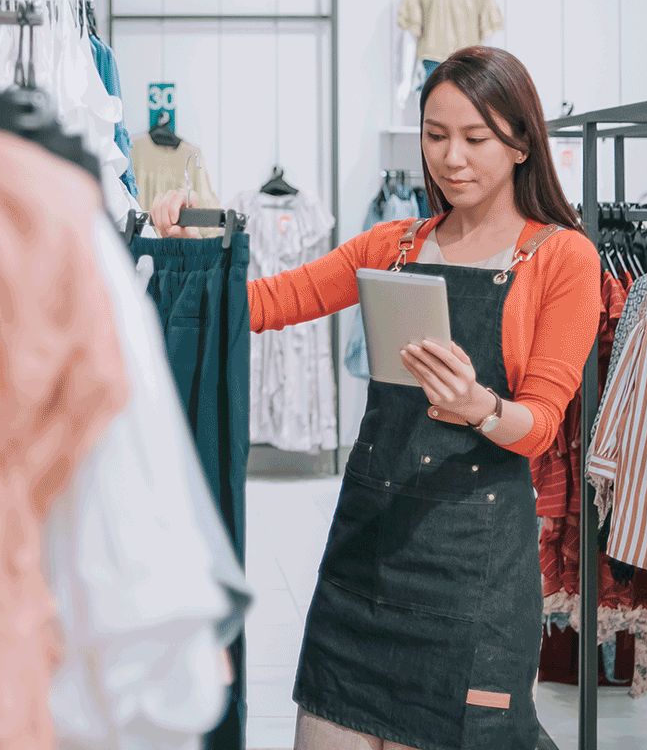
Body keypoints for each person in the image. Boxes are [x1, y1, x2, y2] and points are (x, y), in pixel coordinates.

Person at [149, 45, 602, 750]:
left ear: (521, 143)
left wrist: (481, 406)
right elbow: (265, 303)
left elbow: (541, 426)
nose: (452, 158)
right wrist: (187, 247)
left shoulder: (562, 259)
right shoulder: (391, 245)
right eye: (435, 134)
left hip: (475, 578)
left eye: (476, 138)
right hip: (365, 561)